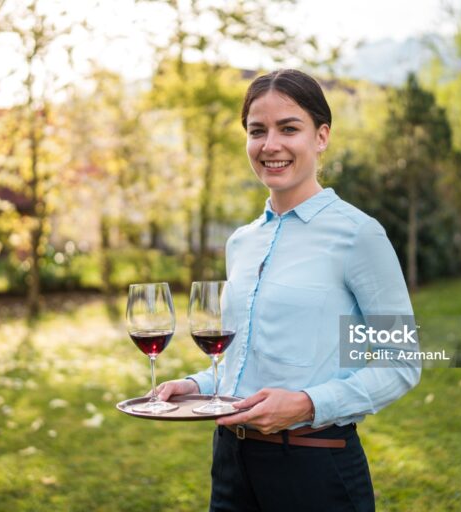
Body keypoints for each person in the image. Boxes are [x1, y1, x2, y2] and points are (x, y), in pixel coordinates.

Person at [157, 69, 421, 512]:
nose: (270, 145)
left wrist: (305, 404)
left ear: (321, 137)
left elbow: (402, 364)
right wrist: (195, 386)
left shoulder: (358, 235)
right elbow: (245, 364)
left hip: (314, 468)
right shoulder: (241, 242)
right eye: (257, 131)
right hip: (230, 463)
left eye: (289, 128)